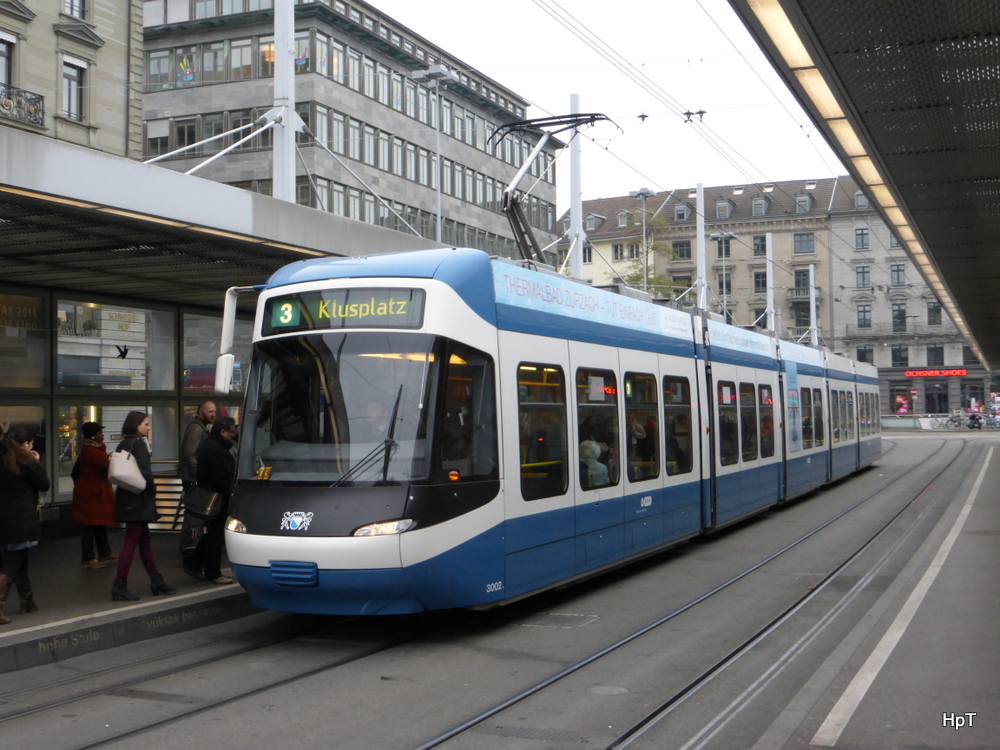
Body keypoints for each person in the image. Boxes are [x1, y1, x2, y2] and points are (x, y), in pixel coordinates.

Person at [110, 411, 176, 601]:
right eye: (145, 424)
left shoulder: (123, 444)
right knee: (131, 541)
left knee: (143, 541)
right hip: (139, 501)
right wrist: (153, 489)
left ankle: (156, 579)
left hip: (127, 498)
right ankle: (119, 584)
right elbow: (146, 473)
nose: (148, 428)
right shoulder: (138, 444)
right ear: (136, 425)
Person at [0, 424, 50, 623]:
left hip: (3, 520)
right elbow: (44, 484)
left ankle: (27, 600)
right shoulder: (25, 460)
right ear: (26, 443)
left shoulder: (3, 458)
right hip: (21, 521)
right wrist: (36, 462)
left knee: (18, 560)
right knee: (12, 564)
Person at [186, 417, 238, 585]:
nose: (233, 435)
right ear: (222, 432)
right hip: (217, 499)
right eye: (231, 431)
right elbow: (222, 477)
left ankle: (194, 564)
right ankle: (212, 572)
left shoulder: (210, 445)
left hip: (211, 496)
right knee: (215, 537)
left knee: (211, 536)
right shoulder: (216, 450)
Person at [71, 422, 118, 569]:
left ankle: (104, 552)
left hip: (93, 492)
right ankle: (88, 558)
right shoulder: (91, 451)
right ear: (92, 435)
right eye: (99, 433)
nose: (102, 435)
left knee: (99, 523)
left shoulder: (92, 449)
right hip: (91, 493)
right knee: (90, 525)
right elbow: (106, 466)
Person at [179, 401, 216, 572]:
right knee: (195, 516)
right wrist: (200, 474)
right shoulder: (196, 429)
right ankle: (191, 548)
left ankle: (193, 547)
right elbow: (189, 453)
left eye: (214, 411)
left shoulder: (200, 428)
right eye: (210, 411)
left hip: (193, 479)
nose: (213, 414)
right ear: (200, 411)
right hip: (194, 480)